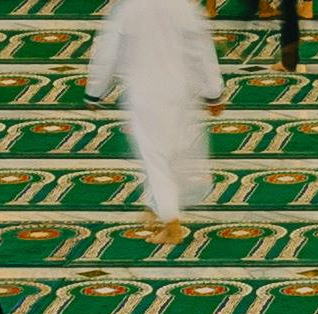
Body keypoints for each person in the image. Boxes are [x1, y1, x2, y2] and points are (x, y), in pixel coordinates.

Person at [88, 0, 224, 246]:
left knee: (156, 157)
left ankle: (172, 226)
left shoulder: (129, 8)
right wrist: (214, 92)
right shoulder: (182, 6)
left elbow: (108, 52)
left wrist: (95, 91)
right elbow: (201, 50)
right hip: (179, 92)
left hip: (146, 95)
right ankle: (155, 206)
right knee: (174, 151)